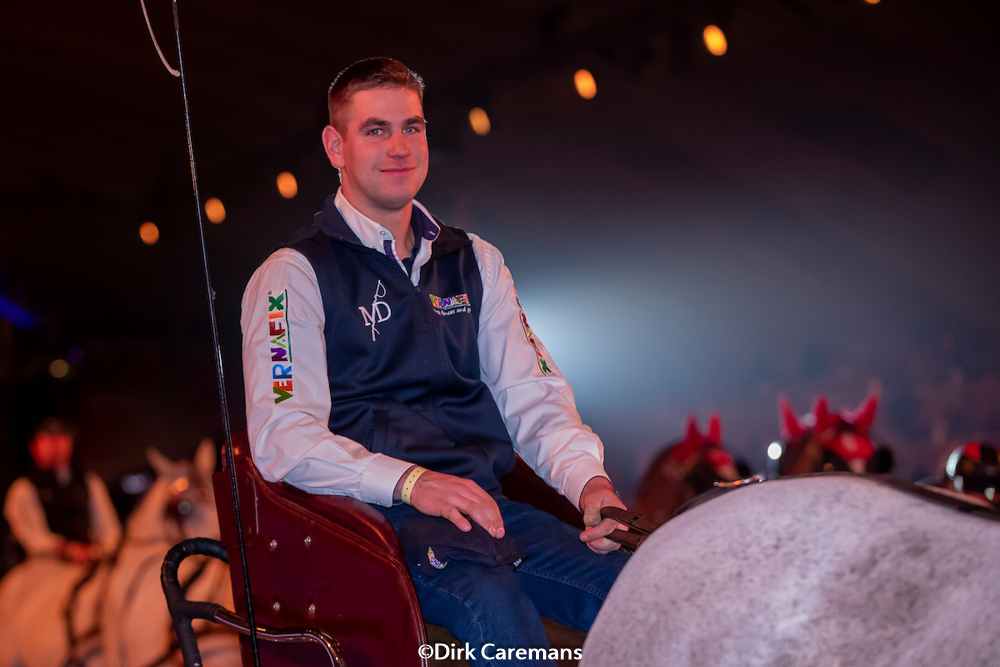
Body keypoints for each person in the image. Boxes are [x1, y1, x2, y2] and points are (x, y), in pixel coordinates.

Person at [241, 57, 629, 664]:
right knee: (500, 613)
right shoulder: (291, 275)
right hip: (376, 524)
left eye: (412, 127)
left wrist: (590, 482)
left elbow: (532, 394)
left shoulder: (476, 260)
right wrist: (411, 483)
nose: (398, 147)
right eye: (375, 130)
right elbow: (283, 437)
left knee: (643, 589)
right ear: (335, 146)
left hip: (486, 507)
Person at [3, 417, 121, 563]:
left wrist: (103, 547)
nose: (56, 444)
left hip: (90, 560)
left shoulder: (89, 481)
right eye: (48, 438)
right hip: (44, 565)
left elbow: (109, 527)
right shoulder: (23, 488)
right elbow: (32, 538)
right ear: (34, 446)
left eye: (62, 438)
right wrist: (66, 549)